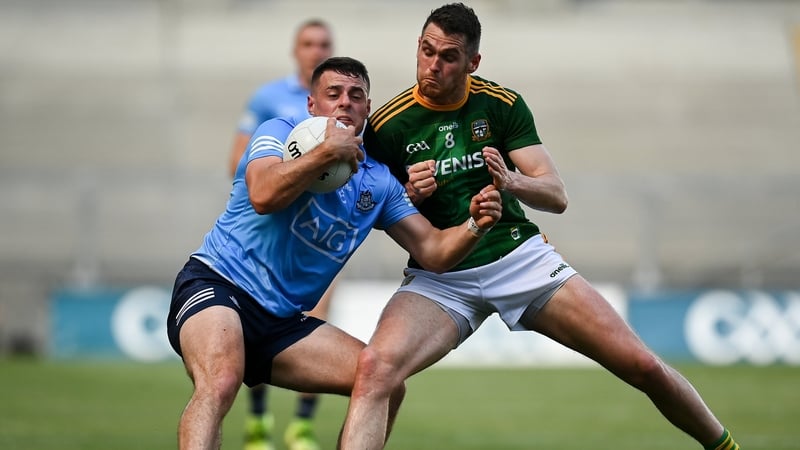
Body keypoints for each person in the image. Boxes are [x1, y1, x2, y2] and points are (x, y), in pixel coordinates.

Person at [339, 4, 741, 450]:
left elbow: (556, 194)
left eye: (448, 57)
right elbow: (371, 213)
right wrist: (408, 197)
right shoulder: (387, 127)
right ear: (418, 45)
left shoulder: (501, 104)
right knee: (375, 369)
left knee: (642, 365)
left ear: (473, 63)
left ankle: (726, 447)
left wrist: (511, 181)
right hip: (441, 278)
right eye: (427, 50)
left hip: (518, 259)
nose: (433, 65)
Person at [167, 56, 503, 450]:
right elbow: (262, 195)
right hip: (219, 285)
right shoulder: (278, 131)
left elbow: (433, 250)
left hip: (283, 323)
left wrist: (476, 223)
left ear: (367, 110)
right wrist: (327, 152)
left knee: (385, 382)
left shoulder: (378, 181)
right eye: (333, 93)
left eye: (356, 95)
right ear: (312, 105)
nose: (345, 101)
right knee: (221, 380)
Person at [228, 19, 335, 450]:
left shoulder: (339, 102)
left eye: (324, 44)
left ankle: (303, 427)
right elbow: (239, 161)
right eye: (308, 43)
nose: (316, 50)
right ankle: (257, 422)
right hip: (270, 235)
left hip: (317, 240)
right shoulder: (268, 99)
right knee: (255, 325)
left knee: (318, 321)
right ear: (295, 50)